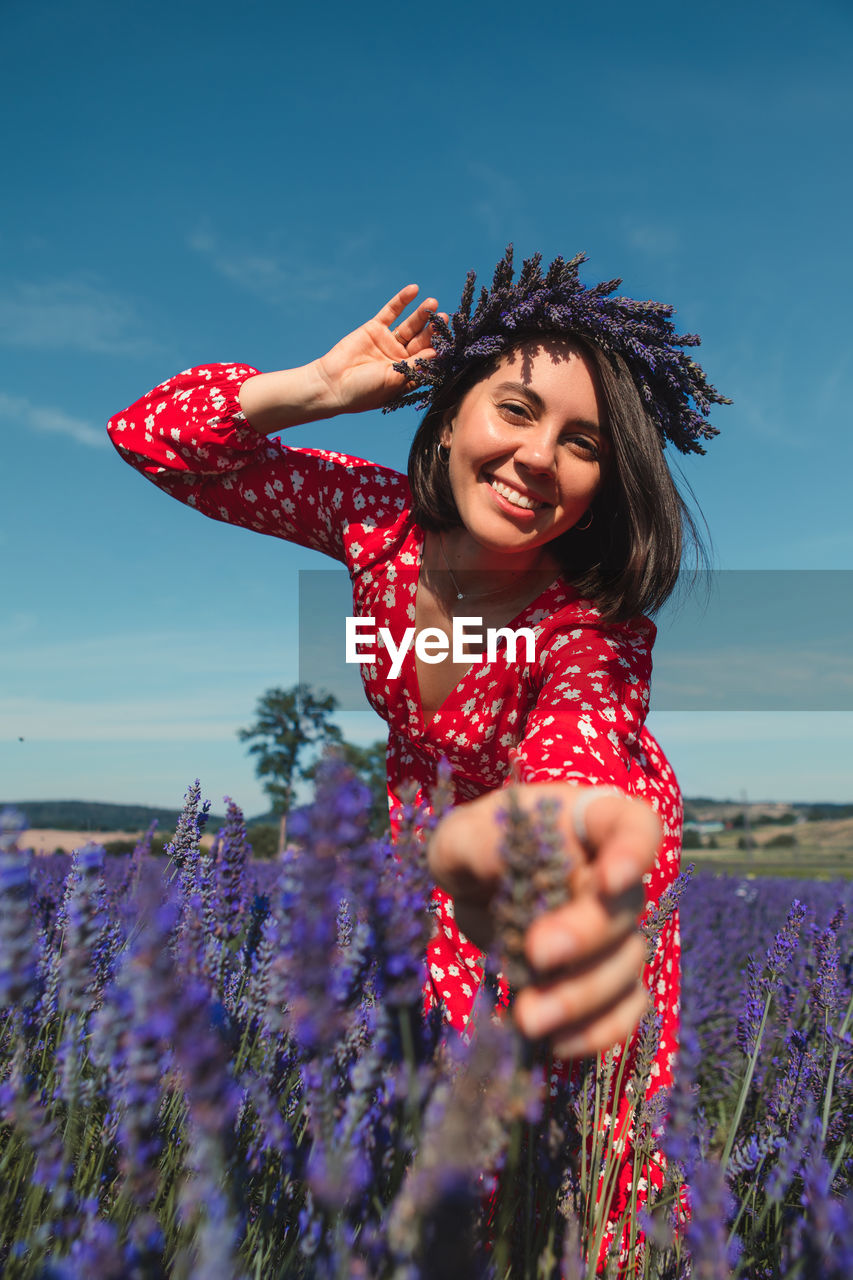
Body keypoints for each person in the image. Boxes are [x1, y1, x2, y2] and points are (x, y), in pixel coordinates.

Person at [106, 247, 727, 1267]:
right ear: (449, 415)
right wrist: (315, 389)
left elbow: (576, 741)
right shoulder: (375, 525)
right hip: (429, 841)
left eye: (583, 443)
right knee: (447, 1136)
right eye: (516, 410)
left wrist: (550, 845)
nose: (539, 457)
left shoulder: (589, 621)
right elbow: (151, 437)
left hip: (567, 851)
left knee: (586, 1157)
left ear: (605, 483)